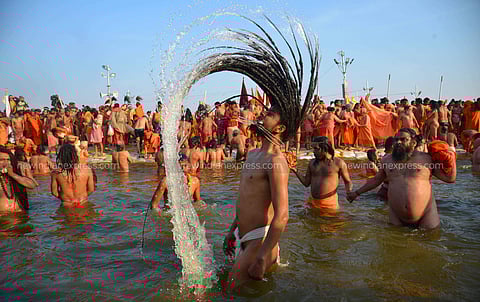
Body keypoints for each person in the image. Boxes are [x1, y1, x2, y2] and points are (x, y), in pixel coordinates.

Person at [223, 104, 291, 289]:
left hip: (260, 241)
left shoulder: (276, 161)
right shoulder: (252, 155)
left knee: (229, 291)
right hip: (243, 237)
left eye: (269, 115)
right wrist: (232, 231)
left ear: (280, 128)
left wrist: (261, 256)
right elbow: (247, 199)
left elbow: (283, 215)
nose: (262, 116)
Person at [347, 128, 456, 229]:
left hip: (426, 214)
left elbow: (449, 178)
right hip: (396, 215)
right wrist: (356, 193)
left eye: (403, 139)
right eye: (396, 140)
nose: (398, 142)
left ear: (413, 142)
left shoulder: (427, 159)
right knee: (394, 244)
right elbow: (376, 180)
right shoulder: (387, 160)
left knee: (430, 242)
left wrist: (452, 158)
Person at [291, 136, 352, 209]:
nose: (313, 151)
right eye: (313, 148)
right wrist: (295, 170)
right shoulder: (312, 163)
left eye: (316, 149)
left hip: (329, 203)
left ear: (325, 148)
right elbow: (306, 183)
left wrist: (349, 193)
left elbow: (347, 182)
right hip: (312, 202)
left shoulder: (338, 163)